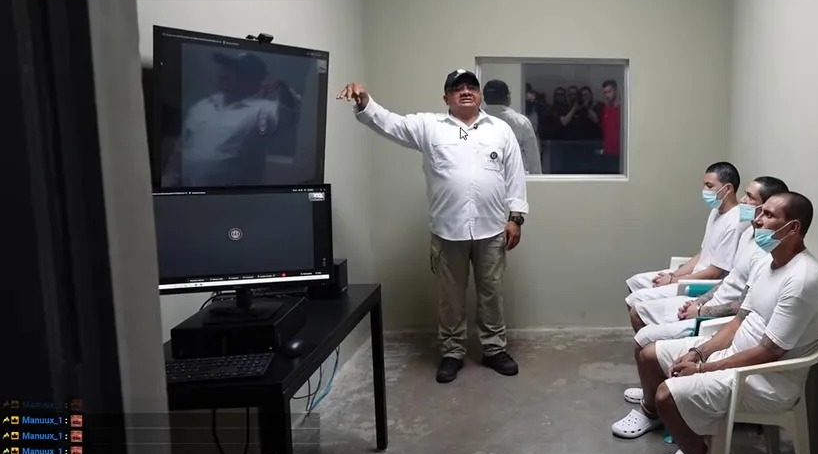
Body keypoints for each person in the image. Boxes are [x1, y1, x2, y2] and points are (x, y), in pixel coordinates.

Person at [612, 192, 818, 454]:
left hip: (764, 379)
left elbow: (770, 352)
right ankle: (698, 448)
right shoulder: (770, 264)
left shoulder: (802, 279)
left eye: (768, 215)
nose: (757, 220)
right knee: (650, 355)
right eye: (760, 212)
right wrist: (699, 352)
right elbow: (739, 321)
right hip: (734, 356)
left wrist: (703, 369)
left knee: (666, 395)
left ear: (793, 228)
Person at [338, 69, 529, 383]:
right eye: (457, 88)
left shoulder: (500, 130)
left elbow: (515, 174)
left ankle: (494, 349)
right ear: (446, 97)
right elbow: (390, 123)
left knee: (492, 293)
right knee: (449, 298)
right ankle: (452, 352)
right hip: (447, 231)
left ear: (480, 95)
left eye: (471, 87)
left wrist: (516, 217)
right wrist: (365, 102)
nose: (465, 91)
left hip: (492, 230)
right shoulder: (429, 126)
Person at [619, 176, 789, 406]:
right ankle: (654, 384)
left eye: (750, 197)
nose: (743, 200)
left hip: (714, 320)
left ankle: (653, 403)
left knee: (644, 341)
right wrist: (698, 301)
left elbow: (739, 303)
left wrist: (700, 311)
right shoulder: (749, 236)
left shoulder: (766, 254)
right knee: (638, 309)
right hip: (707, 303)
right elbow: (728, 280)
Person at [161, 52, 299, 187]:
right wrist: (169, 175)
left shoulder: (264, 110)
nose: (224, 74)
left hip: (232, 197)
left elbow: (288, 115)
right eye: (224, 68)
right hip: (188, 192)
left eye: (234, 71)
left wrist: (283, 89)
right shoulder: (203, 105)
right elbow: (182, 146)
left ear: (254, 80)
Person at [624, 162, 747, 304]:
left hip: (704, 285)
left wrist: (674, 281)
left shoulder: (734, 222)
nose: (704, 190)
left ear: (728, 189)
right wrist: (672, 275)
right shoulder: (715, 212)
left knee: (637, 299)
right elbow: (703, 253)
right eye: (704, 185)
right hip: (694, 274)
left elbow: (714, 273)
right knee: (636, 281)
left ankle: (643, 316)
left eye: (709, 186)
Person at [483, 79, 542, 174]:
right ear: (508, 97)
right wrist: (537, 179)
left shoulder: (474, 122)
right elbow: (532, 159)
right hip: (514, 178)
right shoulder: (520, 122)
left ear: (485, 99)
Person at [600, 79, 623, 173]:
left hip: (620, 153)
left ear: (615, 91)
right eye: (605, 93)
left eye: (609, 92)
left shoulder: (623, 109)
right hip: (607, 152)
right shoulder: (605, 109)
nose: (607, 95)